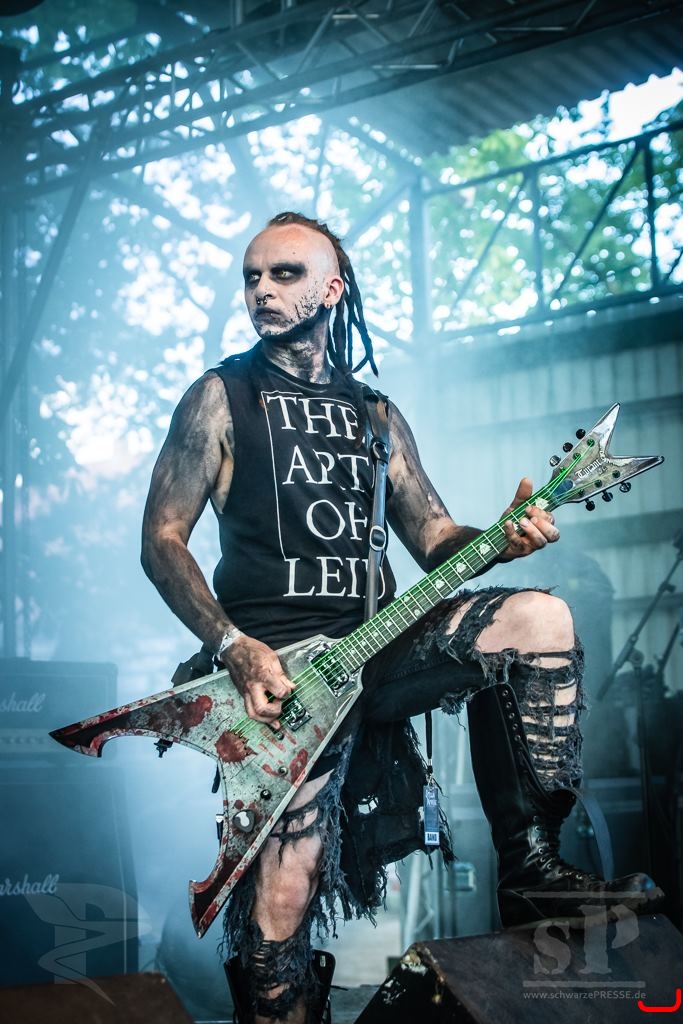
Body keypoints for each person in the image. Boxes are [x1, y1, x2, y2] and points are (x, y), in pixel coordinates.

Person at [140, 211, 662, 1024]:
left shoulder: (374, 414)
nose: (262, 290)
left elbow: (436, 538)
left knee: (538, 620)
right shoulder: (221, 396)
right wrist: (232, 645)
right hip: (282, 677)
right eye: (252, 276)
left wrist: (500, 537)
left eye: (283, 273)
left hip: (380, 647)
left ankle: (530, 867)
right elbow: (162, 539)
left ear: (331, 289)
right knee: (281, 902)